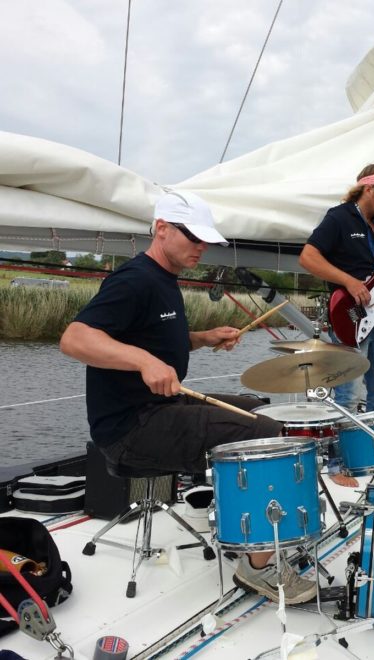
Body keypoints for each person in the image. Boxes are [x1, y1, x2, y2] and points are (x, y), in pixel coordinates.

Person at [59, 190, 316, 605]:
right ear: (161, 229)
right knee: (263, 435)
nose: (201, 248)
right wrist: (143, 361)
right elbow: (74, 339)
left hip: (160, 408)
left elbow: (155, 339)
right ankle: (259, 570)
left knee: (255, 408)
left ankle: (245, 524)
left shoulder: (164, 280)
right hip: (130, 428)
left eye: (204, 240)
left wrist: (202, 338)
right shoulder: (134, 279)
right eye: (192, 237)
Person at [299, 163, 374, 485]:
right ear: (369, 189)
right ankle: (337, 465)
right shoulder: (339, 217)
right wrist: (348, 281)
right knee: (346, 393)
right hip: (349, 317)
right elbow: (308, 257)